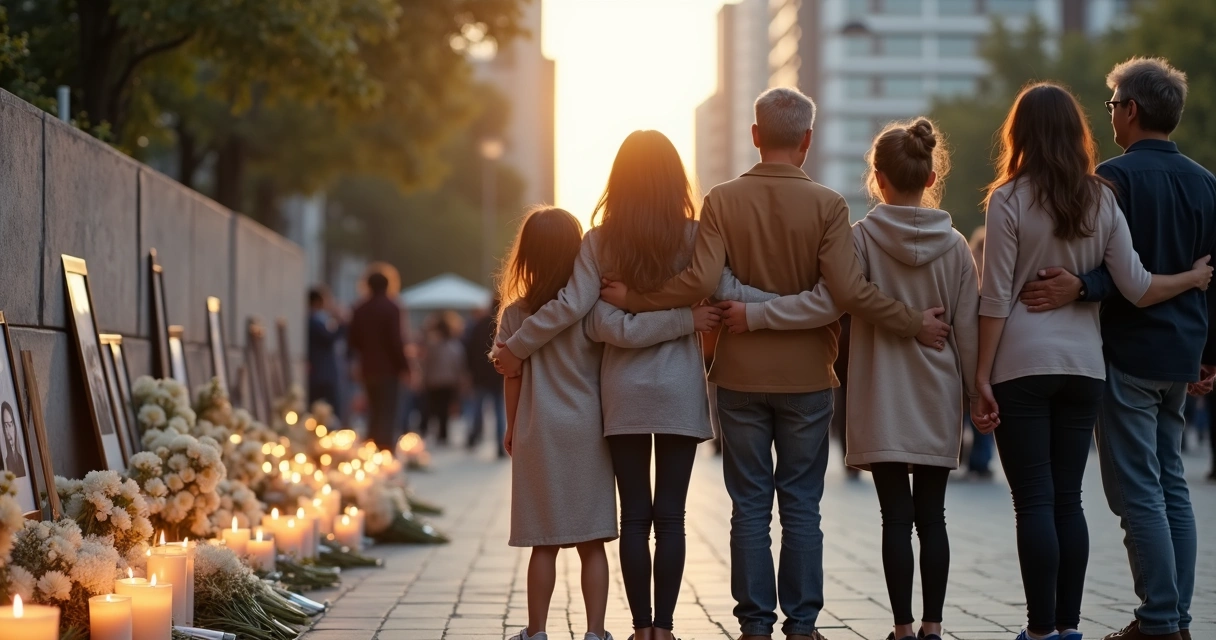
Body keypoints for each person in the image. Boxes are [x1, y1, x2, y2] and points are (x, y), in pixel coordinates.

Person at [595, 88, 952, 640]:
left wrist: (634, 300)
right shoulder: (831, 206)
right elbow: (845, 295)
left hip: (738, 377)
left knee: (750, 508)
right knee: (803, 507)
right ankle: (803, 624)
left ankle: (756, 624)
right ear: (807, 140)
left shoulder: (722, 201)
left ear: (755, 135)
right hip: (809, 376)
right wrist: (914, 322)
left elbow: (699, 284)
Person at [489, 130, 766, 640]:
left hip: (621, 396)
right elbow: (727, 294)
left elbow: (592, 319)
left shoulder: (599, 242)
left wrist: (517, 347)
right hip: (681, 391)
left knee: (636, 516)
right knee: (673, 518)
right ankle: (663, 628)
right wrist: (791, 303)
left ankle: (638, 629)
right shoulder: (695, 236)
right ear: (674, 179)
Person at [717, 118, 978, 640]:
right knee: (933, 516)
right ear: (931, 178)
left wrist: (757, 314)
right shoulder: (955, 247)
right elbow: (967, 326)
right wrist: (979, 392)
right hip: (936, 392)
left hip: (880, 393)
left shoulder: (860, 240)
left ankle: (901, 627)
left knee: (894, 519)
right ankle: (932, 626)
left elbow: (836, 299)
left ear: (877, 179)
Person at [972, 82, 1211, 640]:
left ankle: (1038, 632)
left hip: (1022, 366)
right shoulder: (1101, 196)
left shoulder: (1008, 199)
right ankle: (1070, 626)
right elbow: (1139, 286)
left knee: (1032, 500)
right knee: (1068, 500)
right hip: (1085, 368)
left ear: (1019, 133)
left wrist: (980, 376)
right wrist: (1195, 278)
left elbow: (995, 296)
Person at [497, 206, 618, 640]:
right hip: (589, 430)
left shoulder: (515, 314)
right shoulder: (589, 309)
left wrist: (512, 427)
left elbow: (511, 376)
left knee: (543, 542)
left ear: (526, 255)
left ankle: (537, 631)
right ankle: (596, 632)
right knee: (592, 542)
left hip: (538, 430)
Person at [347, 271, 409, 450]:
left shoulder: (359, 308)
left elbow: (353, 341)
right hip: (389, 369)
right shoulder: (392, 307)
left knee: (373, 412)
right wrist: (406, 367)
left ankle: (371, 451)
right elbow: (396, 341)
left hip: (367, 368)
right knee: (388, 412)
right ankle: (385, 452)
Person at [965, 227, 995, 479]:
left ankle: (976, 459)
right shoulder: (998, 272)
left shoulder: (969, 265)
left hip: (972, 350)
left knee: (971, 408)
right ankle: (980, 460)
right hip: (990, 350)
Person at [464, 301, 507, 456]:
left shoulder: (479, 324)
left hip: (480, 375)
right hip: (499, 375)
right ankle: (500, 446)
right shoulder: (505, 325)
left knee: (477, 409)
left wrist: (470, 371)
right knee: (499, 411)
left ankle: (473, 437)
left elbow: (469, 349)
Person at [417, 312, 466, 445]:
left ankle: (426, 430)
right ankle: (443, 435)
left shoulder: (432, 346)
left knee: (432, 407)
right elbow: (458, 365)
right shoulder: (455, 346)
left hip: (433, 381)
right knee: (444, 409)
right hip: (448, 381)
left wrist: (423, 378)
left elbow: (426, 364)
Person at [307, 286, 345, 407]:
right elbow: (328, 338)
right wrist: (341, 323)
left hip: (324, 371)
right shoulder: (313, 320)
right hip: (320, 373)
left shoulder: (322, 319)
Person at [2, 402, 26, 477]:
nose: (8, 432)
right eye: (5, 426)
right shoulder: (6, 462)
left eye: (10, 425)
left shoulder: (21, 459)